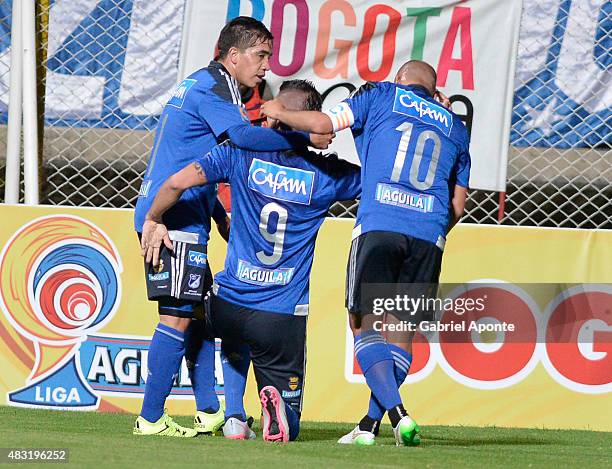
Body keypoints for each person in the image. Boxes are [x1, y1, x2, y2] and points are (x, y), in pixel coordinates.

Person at [132, 17, 332, 438]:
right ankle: (150, 418)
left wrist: (219, 217)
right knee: (177, 318)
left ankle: (208, 411)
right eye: (261, 56)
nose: (266, 67)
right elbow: (242, 139)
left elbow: (194, 152)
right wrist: (302, 140)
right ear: (233, 55)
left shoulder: (209, 85)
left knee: (199, 314)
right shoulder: (214, 87)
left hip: (184, 213)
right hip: (172, 217)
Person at [261, 60, 471, 446]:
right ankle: (369, 425)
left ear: (400, 80)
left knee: (364, 324)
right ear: (435, 89)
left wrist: (279, 111)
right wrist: (429, 227)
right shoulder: (456, 127)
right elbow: (458, 204)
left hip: (380, 224)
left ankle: (398, 415)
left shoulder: (380, 94)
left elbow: (324, 125)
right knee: (401, 332)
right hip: (428, 235)